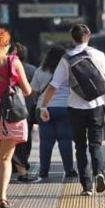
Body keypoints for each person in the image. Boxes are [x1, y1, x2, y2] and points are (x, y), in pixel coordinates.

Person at [40, 24, 105, 196]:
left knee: (80, 146)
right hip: (97, 106)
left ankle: (86, 187)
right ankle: (99, 172)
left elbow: (54, 86)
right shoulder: (99, 55)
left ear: (72, 38)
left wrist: (44, 106)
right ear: (88, 36)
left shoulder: (66, 58)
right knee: (95, 145)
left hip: (75, 107)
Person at [0, 28, 33, 208]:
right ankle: (2, 197)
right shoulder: (14, 61)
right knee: (4, 158)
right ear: (6, 44)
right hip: (9, 113)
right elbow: (27, 91)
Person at [30, 45, 77, 178]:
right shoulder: (68, 70)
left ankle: (44, 171)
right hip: (64, 108)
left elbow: (33, 92)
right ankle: (69, 170)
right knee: (65, 139)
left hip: (44, 108)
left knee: (45, 140)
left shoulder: (40, 71)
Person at [9, 43, 40, 183]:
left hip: (8, 107)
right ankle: (22, 165)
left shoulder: (4, 67)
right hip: (25, 108)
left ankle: (13, 165)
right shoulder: (31, 69)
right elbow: (32, 90)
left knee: (8, 138)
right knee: (23, 139)